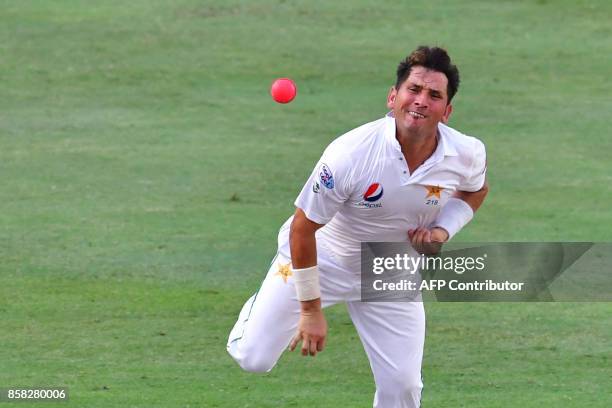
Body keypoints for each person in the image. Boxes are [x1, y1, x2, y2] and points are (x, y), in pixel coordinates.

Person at [227, 46, 489, 407]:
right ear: (393, 97)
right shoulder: (350, 154)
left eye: (434, 95)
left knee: (403, 387)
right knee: (253, 359)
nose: (421, 101)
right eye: (413, 90)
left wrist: (443, 230)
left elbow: (476, 189)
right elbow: (302, 229)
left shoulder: (467, 152)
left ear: (447, 111)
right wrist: (310, 310)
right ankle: (255, 315)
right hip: (326, 259)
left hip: (390, 270)